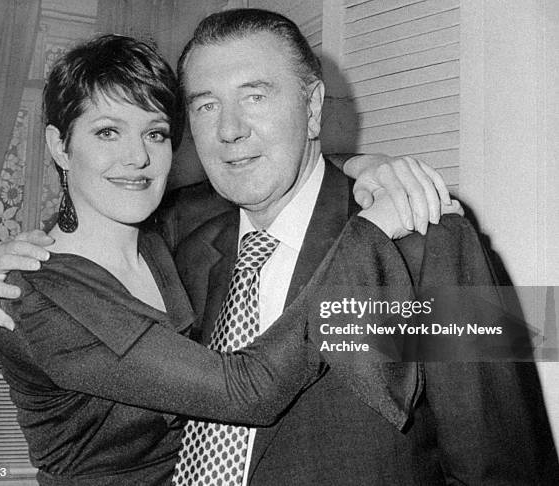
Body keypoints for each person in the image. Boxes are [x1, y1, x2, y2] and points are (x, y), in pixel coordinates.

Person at [0, 33, 455, 485]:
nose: (137, 158)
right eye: (107, 132)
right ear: (59, 145)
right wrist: (365, 235)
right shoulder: (34, 292)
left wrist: (365, 166)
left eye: (156, 133)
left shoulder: (173, 232)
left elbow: (515, 368)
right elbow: (248, 391)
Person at [164, 9, 556, 485]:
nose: (229, 130)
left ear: (312, 109)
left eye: (255, 96)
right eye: (206, 106)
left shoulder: (427, 242)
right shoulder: (186, 247)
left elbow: (505, 469)